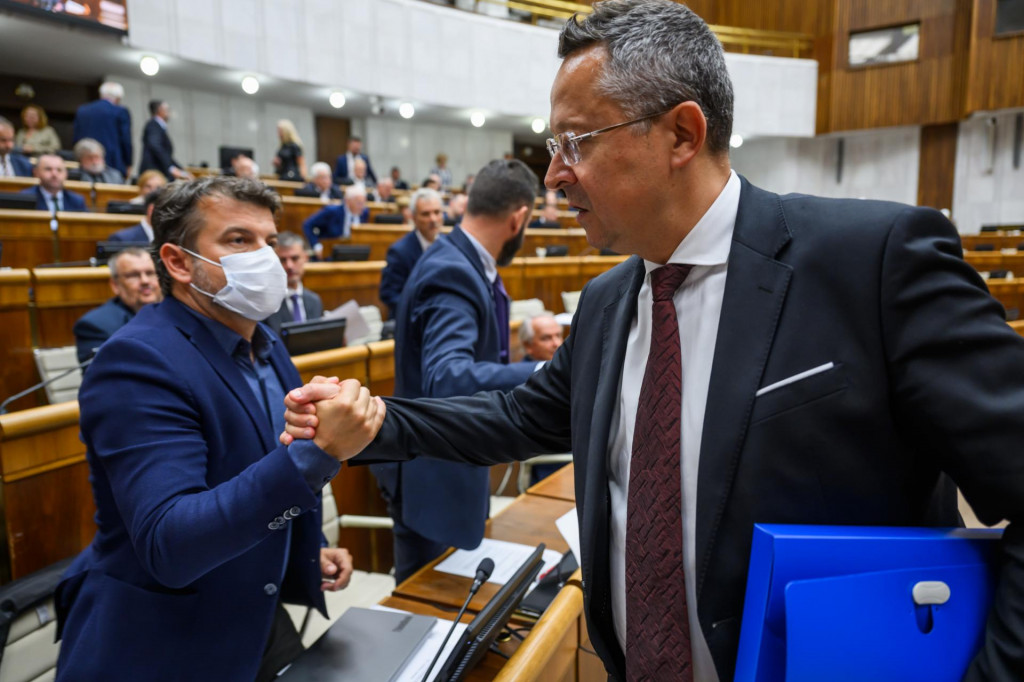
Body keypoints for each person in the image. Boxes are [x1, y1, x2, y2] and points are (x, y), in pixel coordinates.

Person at [283, 2, 1024, 681]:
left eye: (575, 142)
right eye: (552, 144)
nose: (553, 176)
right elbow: (519, 417)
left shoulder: (871, 260)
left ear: (682, 134)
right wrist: (377, 423)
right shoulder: (610, 301)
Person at [56, 176, 375, 682]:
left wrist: (302, 552)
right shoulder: (137, 361)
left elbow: (248, 471)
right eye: (238, 240)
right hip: (166, 645)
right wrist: (316, 456)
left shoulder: (264, 342)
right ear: (179, 263)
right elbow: (171, 541)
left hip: (257, 619)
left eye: (269, 241)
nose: (266, 257)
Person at [369, 159, 539, 582]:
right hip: (434, 479)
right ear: (519, 219)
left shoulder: (459, 259)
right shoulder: (453, 271)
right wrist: (543, 370)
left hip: (449, 469)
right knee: (429, 612)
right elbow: (448, 377)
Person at [72, 247, 161, 363]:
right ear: (115, 285)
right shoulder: (95, 326)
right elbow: (102, 378)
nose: (145, 281)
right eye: (133, 275)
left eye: (150, 273)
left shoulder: (175, 312)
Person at [379, 187, 444, 320]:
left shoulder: (449, 247)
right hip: (411, 322)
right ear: (413, 218)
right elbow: (389, 294)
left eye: (437, 212)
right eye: (426, 214)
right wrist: (421, 313)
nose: (433, 219)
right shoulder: (400, 251)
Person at [263, 232, 324, 334]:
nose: (289, 266)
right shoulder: (265, 305)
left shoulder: (315, 300)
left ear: (306, 258)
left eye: (295, 258)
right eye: (282, 260)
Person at [73, 81, 133, 178]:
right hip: (113, 162)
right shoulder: (120, 111)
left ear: (101, 94)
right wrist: (128, 164)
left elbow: (76, 139)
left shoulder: (82, 110)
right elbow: (125, 140)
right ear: (118, 98)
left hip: (84, 162)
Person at [302, 185, 369, 259]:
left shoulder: (364, 212)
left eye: (364, 203)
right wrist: (316, 246)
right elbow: (307, 224)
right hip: (330, 253)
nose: (362, 207)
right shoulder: (332, 211)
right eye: (359, 203)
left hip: (353, 252)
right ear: (347, 201)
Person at [138, 100, 192, 181]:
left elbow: (166, 155)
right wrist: (171, 168)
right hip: (154, 175)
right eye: (167, 110)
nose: (169, 113)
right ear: (160, 110)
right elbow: (155, 147)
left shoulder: (158, 127)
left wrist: (182, 170)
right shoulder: (153, 125)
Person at [19, 154, 86, 212]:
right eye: (48, 169)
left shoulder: (76, 201)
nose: (54, 174)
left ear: (66, 174)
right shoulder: (25, 199)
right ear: (36, 172)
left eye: (59, 170)